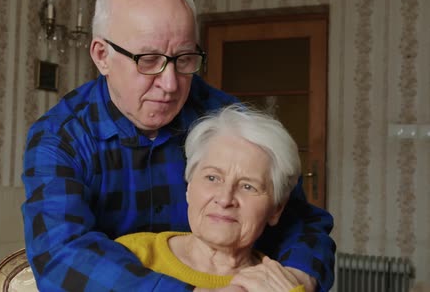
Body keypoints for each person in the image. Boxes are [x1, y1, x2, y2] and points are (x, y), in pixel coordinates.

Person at [21, 0, 335, 291]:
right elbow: (62, 254)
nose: (170, 84)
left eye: (184, 59)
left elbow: (301, 221)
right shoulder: (60, 137)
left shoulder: (226, 119)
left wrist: (295, 280)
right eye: (149, 60)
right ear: (102, 55)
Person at [115, 105, 306, 292]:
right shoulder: (132, 255)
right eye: (212, 178)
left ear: (276, 209)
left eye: (248, 186)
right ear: (189, 188)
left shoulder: (280, 285)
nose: (225, 199)